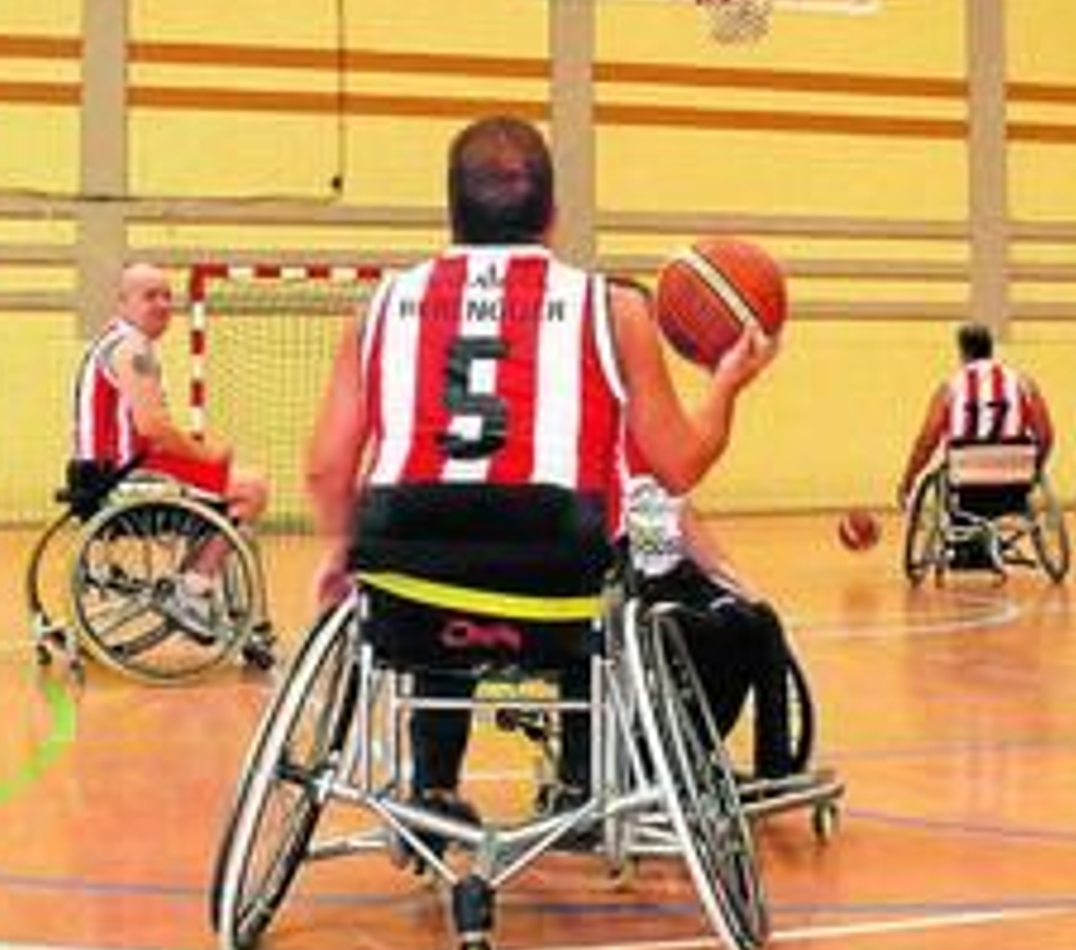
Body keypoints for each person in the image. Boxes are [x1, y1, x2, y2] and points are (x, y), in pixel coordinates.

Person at [305, 115, 776, 831]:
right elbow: (677, 465)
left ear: (451, 213)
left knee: (436, 539)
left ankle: (431, 784)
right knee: (578, 564)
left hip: (410, 578)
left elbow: (325, 468)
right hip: (559, 584)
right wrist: (725, 386)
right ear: (552, 217)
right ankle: (582, 787)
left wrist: (340, 548)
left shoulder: (379, 306)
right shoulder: (613, 308)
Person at [71, 261, 275, 665]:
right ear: (123, 302)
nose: (163, 304)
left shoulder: (116, 343)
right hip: (123, 478)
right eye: (150, 296)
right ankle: (191, 589)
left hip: (109, 474)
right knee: (252, 489)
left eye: (167, 296)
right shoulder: (131, 349)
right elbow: (154, 428)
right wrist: (206, 455)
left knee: (235, 483)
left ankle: (192, 580)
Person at [620, 447, 797, 781]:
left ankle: (774, 767)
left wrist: (750, 592)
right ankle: (674, 754)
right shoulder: (604, 478)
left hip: (685, 583)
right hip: (641, 593)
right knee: (708, 635)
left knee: (761, 622)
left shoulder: (663, 476)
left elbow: (707, 554)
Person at [895, 323, 1054, 561]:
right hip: (1015, 481)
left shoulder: (951, 386)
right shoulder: (1023, 383)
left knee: (948, 475)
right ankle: (984, 545)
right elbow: (1046, 435)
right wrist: (1035, 468)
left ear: (963, 352)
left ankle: (969, 546)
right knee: (1005, 476)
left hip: (967, 482)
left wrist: (908, 480)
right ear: (991, 349)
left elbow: (926, 440)